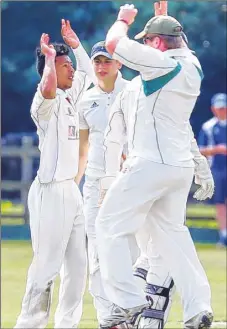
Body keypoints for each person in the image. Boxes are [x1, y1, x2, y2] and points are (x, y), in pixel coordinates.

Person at [95, 3, 214, 329]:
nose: (146, 45)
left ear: (159, 45)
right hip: (178, 169)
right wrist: (161, 17)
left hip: (149, 163)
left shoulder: (161, 65)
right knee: (173, 236)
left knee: (107, 226)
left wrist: (125, 20)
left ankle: (129, 300)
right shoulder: (192, 64)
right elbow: (174, 38)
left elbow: (114, 43)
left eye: (149, 40)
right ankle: (198, 306)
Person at [14, 19, 96, 329]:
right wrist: (50, 59)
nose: (70, 70)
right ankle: (28, 324)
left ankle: (67, 325)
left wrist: (74, 45)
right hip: (50, 192)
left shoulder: (71, 97)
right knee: (46, 265)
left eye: (67, 65)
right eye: (64, 66)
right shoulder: (43, 101)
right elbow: (48, 87)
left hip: (71, 190)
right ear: (50, 69)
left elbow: (86, 71)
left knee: (77, 267)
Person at [75, 40, 135, 327]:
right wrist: (74, 183)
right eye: (97, 61)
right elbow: (83, 150)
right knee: (96, 251)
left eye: (106, 61)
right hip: (95, 185)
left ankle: (132, 313)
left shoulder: (135, 92)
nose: (100, 66)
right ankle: (107, 318)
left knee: (131, 249)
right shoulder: (86, 99)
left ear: (119, 63)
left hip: (130, 183)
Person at [198, 93, 227, 247]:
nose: (222, 111)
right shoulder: (208, 127)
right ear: (213, 109)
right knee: (220, 203)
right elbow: (200, 150)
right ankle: (223, 236)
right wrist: (217, 149)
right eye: (219, 108)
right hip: (217, 168)